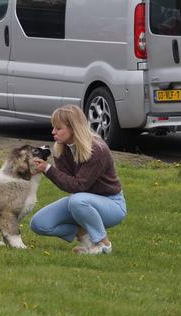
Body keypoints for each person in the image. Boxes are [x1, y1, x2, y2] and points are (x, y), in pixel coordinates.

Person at [29, 105, 127, 254]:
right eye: (53, 127)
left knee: (77, 200)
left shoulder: (97, 149)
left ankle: (102, 243)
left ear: (73, 128)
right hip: (82, 202)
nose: (53, 132)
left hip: (112, 204)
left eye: (58, 128)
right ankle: (84, 235)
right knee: (39, 223)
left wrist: (48, 169)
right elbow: (67, 183)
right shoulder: (61, 148)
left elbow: (79, 185)